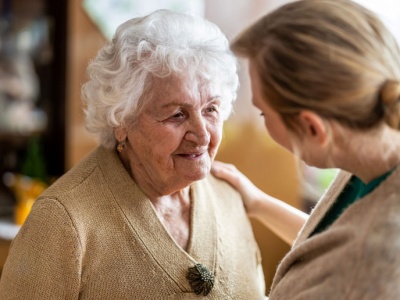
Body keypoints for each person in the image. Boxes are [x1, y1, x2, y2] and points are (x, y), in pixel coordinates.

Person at [0, 9, 266, 299]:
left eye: (211, 109)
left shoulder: (229, 197)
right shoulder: (61, 222)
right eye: (177, 114)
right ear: (122, 121)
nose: (202, 135)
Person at [211, 0, 400, 299]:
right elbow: (331, 248)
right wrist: (258, 202)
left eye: (263, 113)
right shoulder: (370, 149)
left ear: (312, 128)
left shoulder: (376, 265)